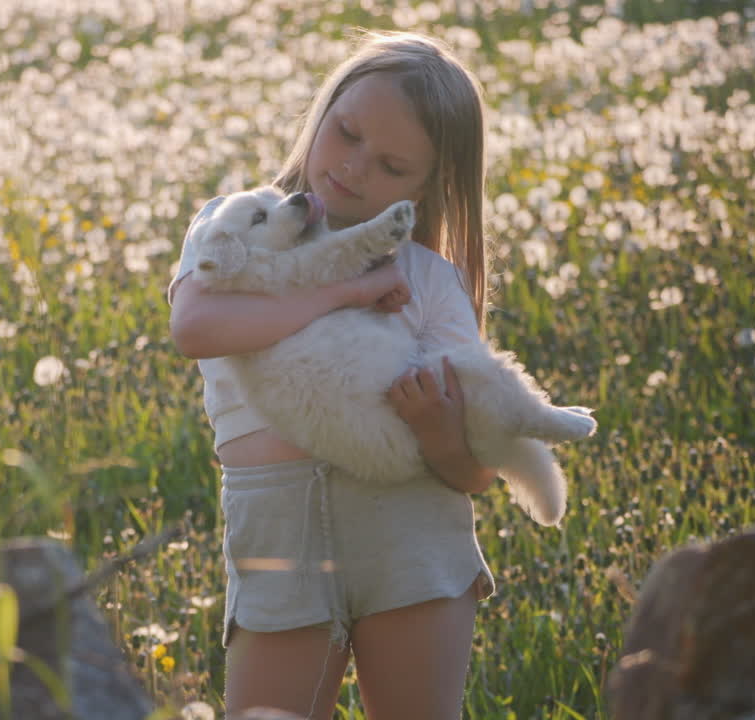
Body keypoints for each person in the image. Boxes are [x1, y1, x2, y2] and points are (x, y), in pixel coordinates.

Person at [167, 31, 497, 720]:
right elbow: (195, 326)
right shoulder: (239, 222)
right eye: (345, 133)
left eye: (392, 166)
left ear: (430, 185)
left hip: (412, 541)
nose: (353, 167)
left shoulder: (430, 279)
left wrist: (439, 431)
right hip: (278, 545)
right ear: (324, 109)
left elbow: (476, 471)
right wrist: (345, 290)